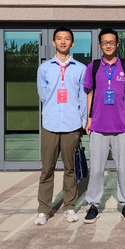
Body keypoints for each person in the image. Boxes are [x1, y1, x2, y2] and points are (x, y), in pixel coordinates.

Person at [35, 27, 87, 225]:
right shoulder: (44, 68)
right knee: (47, 169)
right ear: (53, 42)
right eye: (59, 38)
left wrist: (82, 123)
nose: (63, 42)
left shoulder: (80, 68)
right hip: (50, 124)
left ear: (72, 43)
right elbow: (43, 95)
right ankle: (43, 209)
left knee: (70, 169)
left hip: (72, 125)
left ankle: (69, 207)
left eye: (67, 39)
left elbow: (82, 98)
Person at [83, 28, 125, 223]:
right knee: (96, 169)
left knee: (123, 168)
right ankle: (93, 204)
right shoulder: (94, 66)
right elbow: (89, 93)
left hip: (121, 126)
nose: (108, 46)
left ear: (117, 44)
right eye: (104, 42)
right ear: (99, 45)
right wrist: (89, 118)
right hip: (98, 125)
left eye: (111, 42)